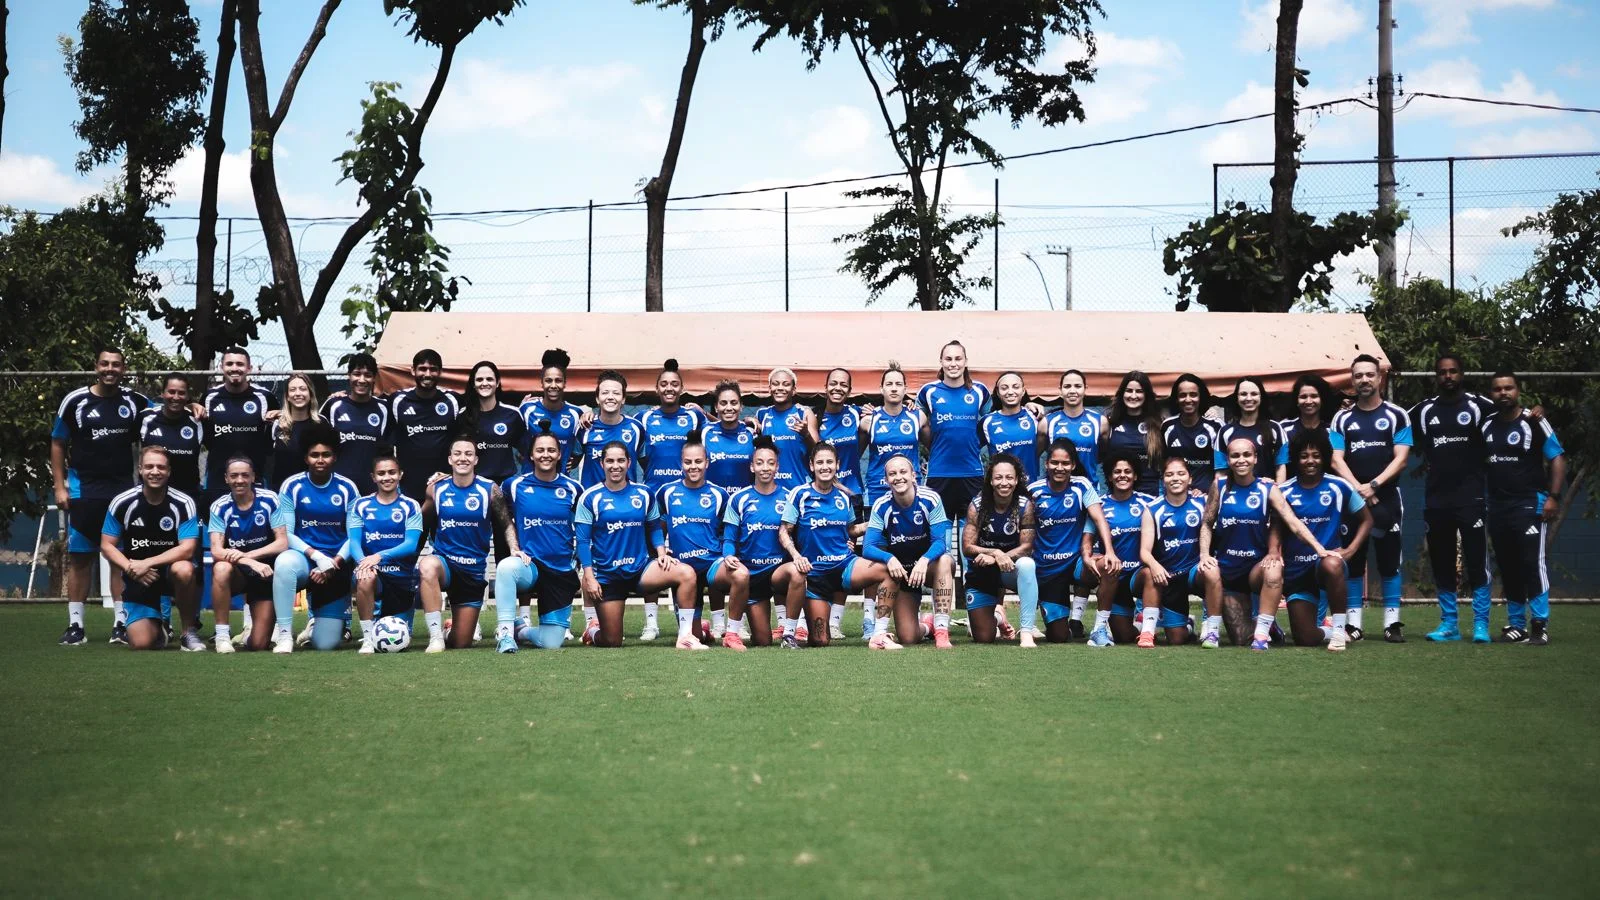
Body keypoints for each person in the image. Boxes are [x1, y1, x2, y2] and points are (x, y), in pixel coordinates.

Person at [52, 347, 149, 646]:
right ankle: (76, 626)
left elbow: (166, 410)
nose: (110, 369)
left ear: (124, 368)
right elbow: (57, 442)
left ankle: (120, 624)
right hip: (84, 490)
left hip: (122, 492)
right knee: (81, 557)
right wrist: (60, 486)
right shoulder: (75, 401)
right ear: (96, 366)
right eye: (105, 363)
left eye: (116, 364)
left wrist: (194, 408)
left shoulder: (134, 402)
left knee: (121, 558)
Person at [1201, 437, 1335, 651]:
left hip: (1255, 571)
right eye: (1235, 455)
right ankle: (1266, 628)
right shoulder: (1219, 486)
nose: (1241, 460)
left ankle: (1262, 636)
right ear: (1228, 460)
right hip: (1228, 573)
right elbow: (1207, 523)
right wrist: (1204, 555)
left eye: (1246, 455)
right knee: (1240, 637)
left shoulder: (1268, 488)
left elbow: (1292, 521)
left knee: (1274, 568)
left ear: (1255, 458)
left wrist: (1319, 549)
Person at [1407, 352, 1496, 643]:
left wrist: (1536, 412)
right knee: (1442, 561)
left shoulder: (1481, 406)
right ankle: (1449, 624)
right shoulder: (1423, 411)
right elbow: (1395, 428)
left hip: (1471, 498)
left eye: (1453, 371)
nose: (1448, 376)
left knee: (1476, 561)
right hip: (1437, 500)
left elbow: (1511, 417)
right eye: (1443, 372)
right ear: (1436, 376)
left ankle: (1481, 624)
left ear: (1462, 374)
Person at [575, 442, 699, 649]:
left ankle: (685, 636)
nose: (616, 466)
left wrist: (661, 552)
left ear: (629, 462)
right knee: (612, 641)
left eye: (621, 460)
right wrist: (588, 576)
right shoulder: (590, 497)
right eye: (610, 461)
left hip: (641, 570)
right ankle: (592, 631)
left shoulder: (643, 493)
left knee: (686, 574)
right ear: (602, 463)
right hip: (608, 575)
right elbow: (582, 541)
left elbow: (654, 527)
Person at [1329, 355, 1412, 642]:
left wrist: (1374, 486)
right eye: (1358, 376)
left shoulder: (1397, 415)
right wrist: (1359, 490)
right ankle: (1353, 625)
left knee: (1389, 561)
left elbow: (1401, 459)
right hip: (1352, 501)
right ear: (1352, 381)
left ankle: (1392, 623)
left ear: (1379, 378)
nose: (1363, 380)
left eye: (1369, 375)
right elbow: (1336, 460)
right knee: (1353, 559)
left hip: (1388, 497)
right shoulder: (1341, 418)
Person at [775, 442, 886, 649]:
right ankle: (795, 631)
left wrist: (872, 525)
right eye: (820, 462)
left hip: (844, 566)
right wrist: (796, 556)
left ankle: (878, 632)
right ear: (811, 466)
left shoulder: (844, 497)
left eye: (829, 462)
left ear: (837, 465)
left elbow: (850, 530)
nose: (824, 467)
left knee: (886, 570)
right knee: (820, 641)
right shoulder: (800, 494)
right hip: (814, 575)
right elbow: (784, 530)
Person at [1482, 371, 1565, 646]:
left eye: (1508, 388)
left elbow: (1557, 458)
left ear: (1517, 391)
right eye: (1497, 389)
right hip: (1497, 505)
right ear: (1491, 393)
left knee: (1532, 562)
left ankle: (1539, 625)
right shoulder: (1486, 424)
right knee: (1508, 565)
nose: (1503, 393)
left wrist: (1553, 497)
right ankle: (1516, 624)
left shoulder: (1534, 420)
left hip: (1529, 502)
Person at [99, 446, 202, 651]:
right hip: (138, 576)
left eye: (161, 467)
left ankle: (187, 633)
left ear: (169, 471)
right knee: (141, 643)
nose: (155, 471)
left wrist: (147, 563)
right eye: (149, 466)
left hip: (170, 573)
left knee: (184, 569)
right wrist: (131, 568)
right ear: (140, 469)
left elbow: (187, 549)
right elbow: (106, 545)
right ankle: (159, 626)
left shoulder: (183, 503)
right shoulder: (122, 502)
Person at [1278, 428, 1371, 651]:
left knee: (1332, 562)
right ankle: (1329, 631)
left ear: (1325, 458)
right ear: (1295, 458)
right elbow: (1275, 528)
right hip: (1297, 571)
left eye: (1316, 455)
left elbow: (1367, 520)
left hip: (1326, 564)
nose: (1310, 461)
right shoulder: (1283, 491)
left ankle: (1339, 630)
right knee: (1305, 638)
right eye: (1304, 456)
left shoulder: (1339, 486)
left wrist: (1350, 551)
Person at [419, 436, 514, 652]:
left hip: (472, 571)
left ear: (476, 459)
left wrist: (514, 548)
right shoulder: (436, 489)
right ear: (450, 459)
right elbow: (421, 524)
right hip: (445, 564)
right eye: (458, 454)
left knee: (461, 643)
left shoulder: (490, 489)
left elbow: (506, 523)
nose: (463, 458)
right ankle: (435, 638)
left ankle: (448, 630)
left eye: (468, 454)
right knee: (427, 566)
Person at [653, 434, 748, 648]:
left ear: (707, 462)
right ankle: (701, 628)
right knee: (695, 636)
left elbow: (728, 532)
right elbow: (656, 527)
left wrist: (728, 554)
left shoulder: (719, 495)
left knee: (741, 575)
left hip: (712, 564)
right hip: (684, 570)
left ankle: (732, 634)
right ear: (681, 463)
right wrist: (661, 551)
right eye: (688, 462)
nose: (693, 466)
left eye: (698, 461)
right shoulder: (666, 492)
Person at [498, 421, 585, 651]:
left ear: (559, 455)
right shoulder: (514, 485)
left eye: (551, 450)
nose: (545, 455)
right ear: (531, 455)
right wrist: (514, 545)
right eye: (540, 450)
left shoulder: (574, 488)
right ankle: (505, 635)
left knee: (551, 643)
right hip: (531, 565)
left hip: (560, 570)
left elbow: (586, 527)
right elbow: (497, 504)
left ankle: (521, 630)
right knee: (506, 568)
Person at [274, 426, 361, 652]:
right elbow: (287, 534)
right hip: (305, 558)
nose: (320, 460)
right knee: (284, 563)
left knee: (325, 644)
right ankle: (284, 635)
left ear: (334, 458)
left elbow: (354, 535)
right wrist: (316, 556)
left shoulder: (347, 488)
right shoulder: (292, 486)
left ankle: (320, 623)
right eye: (314, 455)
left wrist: (334, 562)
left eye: (326, 455)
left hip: (337, 563)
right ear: (306, 458)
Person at [917, 341, 991, 595]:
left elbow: (991, 423)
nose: (953, 364)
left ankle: (975, 607)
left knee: (971, 545)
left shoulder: (980, 391)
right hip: (939, 477)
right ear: (941, 362)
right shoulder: (928, 392)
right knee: (942, 546)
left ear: (966, 361)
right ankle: (942, 615)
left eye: (958, 358)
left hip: (972, 476)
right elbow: (918, 425)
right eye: (948, 359)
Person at [1028, 440, 1113, 645]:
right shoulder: (1033, 491)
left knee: (1109, 567)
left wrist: (1109, 551)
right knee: (1058, 637)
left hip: (1076, 564)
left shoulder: (1081, 485)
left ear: (1073, 465)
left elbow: (1099, 518)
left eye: (1065, 463)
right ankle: (1064, 622)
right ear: (1046, 464)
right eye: (1054, 463)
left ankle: (1100, 629)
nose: (1060, 468)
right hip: (1046, 569)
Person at [863, 454, 951, 650]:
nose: (898, 477)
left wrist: (924, 560)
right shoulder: (881, 505)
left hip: (929, 567)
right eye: (892, 474)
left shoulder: (930, 499)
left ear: (913, 475)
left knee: (945, 560)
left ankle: (942, 631)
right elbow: (868, 547)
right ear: (886, 480)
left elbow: (940, 542)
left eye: (903, 472)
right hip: (902, 573)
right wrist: (889, 558)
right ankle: (927, 626)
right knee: (909, 637)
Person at [721, 437, 798, 648]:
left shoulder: (790, 497)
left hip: (777, 573)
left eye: (771, 463)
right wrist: (728, 555)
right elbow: (729, 538)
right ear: (752, 466)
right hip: (752, 576)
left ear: (777, 467)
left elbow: (800, 536)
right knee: (763, 641)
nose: (766, 468)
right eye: (760, 462)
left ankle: (790, 632)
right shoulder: (739, 499)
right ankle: (738, 631)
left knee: (797, 572)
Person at [207, 456, 290, 653]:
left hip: (265, 574)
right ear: (226, 478)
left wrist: (251, 556)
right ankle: (222, 637)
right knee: (220, 568)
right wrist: (248, 562)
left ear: (253, 477)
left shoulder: (270, 499)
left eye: (245, 475)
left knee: (258, 645)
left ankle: (249, 634)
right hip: (238, 573)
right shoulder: (219, 506)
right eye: (234, 476)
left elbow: (282, 542)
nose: (239, 480)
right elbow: (217, 551)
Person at [1134, 457, 1219, 648]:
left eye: (1181, 474)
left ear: (1190, 479)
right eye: (1169, 474)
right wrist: (1155, 566)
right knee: (1177, 639)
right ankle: (1187, 625)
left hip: (1193, 573)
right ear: (1162, 479)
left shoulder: (1203, 503)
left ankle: (1212, 631)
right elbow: (1144, 552)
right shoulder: (1153, 509)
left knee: (1213, 570)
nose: (1175, 478)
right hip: (1168, 577)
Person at [347, 454, 425, 654]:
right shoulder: (360, 505)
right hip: (374, 573)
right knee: (365, 577)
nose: (386, 477)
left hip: (402, 577)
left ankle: (393, 616)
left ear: (400, 475)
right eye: (381, 473)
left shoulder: (411, 505)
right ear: (373, 477)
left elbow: (410, 545)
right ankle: (366, 638)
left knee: (401, 636)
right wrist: (364, 563)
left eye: (391, 472)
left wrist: (379, 556)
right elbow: (354, 542)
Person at [962, 453, 1037, 646]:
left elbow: (1027, 547)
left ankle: (1027, 632)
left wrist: (1000, 558)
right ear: (990, 481)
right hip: (982, 572)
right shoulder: (977, 506)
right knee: (984, 637)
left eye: (1009, 477)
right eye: (999, 477)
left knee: (1027, 565)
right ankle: (998, 618)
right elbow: (967, 547)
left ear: (1017, 479)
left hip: (1009, 570)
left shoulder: (1024, 505)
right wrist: (995, 553)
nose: (1004, 482)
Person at [1083, 453, 1147, 646]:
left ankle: (1163, 621)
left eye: (1128, 471)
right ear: (1109, 477)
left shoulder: (1148, 503)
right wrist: (1088, 556)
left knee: (1176, 634)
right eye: (1117, 472)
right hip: (1114, 577)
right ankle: (1106, 628)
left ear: (1135, 476)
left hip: (1139, 576)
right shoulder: (1100, 505)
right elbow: (1087, 538)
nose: (1122, 475)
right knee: (1124, 636)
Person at [200, 347, 275, 510]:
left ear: (249, 368)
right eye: (230, 364)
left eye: (240, 364)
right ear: (222, 367)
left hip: (255, 478)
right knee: (216, 527)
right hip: (217, 477)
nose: (235, 368)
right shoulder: (209, 398)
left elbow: (273, 434)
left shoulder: (265, 397)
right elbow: (205, 437)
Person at [389, 348, 462, 502]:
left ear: (440, 372)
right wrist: (340, 396)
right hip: (408, 483)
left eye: (433, 369)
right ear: (413, 371)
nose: (427, 374)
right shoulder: (397, 401)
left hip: (444, 481)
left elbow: (479, 407)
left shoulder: (453, 400)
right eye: (422, 369)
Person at [322, 353, 391, 494]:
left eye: (367, 375)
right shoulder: (334, 405)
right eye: (357, 374)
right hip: (339, 487)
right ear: (349, 375)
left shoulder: (384, 408)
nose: (362, 380)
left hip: (373, 488)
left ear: (374, 378)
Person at [641, 359, 710, 490]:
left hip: (685, 491)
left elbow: (719, 428)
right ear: (657, 389)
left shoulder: (694, 416)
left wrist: (705, 413)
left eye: (674, 384)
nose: (669, 388)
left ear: (682, 389)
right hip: (653, 489)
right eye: (663, 384)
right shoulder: (644, 417)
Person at [519, 348, 588, 473]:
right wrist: (524, 455)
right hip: (530, 482)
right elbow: (515, 440)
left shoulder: (575, 414)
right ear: (541, 383)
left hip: (561, 484)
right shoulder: (527, 409)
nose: (553, 385)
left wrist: (576, 459)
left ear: (565, 383)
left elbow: (581, 446)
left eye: (558, 380)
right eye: (548, 380)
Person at [136, 374, 204, 500]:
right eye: (171, 392)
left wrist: (194, 406)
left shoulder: (198, 421)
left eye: (181, 393)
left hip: (188, 496)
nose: (176, 397)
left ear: (188, 396)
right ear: (162, 393)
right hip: (150, 497)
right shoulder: (145, 419)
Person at [864, 363, 924, 504]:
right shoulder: (868, 419)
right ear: (881, 389)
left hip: (912, 488)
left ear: (905, 389)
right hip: (878, 489)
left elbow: (935, 447)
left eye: (898, 384)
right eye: (889, 384)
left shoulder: (918, 417)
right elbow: (855, 455)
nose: (894, 388)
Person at [460, 360, 526, 486]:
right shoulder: (462, 416)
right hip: (473, 485)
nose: (484, 383)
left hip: (505, 484)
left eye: (489, 379)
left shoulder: (513, 414)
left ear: (498, 382)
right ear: (473, 384)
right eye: (479, 380)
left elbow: (527, 451)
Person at [576, 370, 645, 489]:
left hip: (626, 502)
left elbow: (647, 464)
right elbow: (571, 463)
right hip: (592, 502)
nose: (610, 397)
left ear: (623, 399)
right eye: (605, 393)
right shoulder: (586, 426)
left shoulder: (636, 428)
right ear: (597, 398)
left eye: (616, 393)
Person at [755, 366, 817, 493]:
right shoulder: (762, 414)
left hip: (798, 488)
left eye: (786, 384)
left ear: (793, 390)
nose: (780, 388)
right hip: (770, 490)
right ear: (769, 389)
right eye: (775, 384)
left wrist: (806, 434)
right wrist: (749, 421)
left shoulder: (803, 413)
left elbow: (818, 451)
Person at [1102, 371, 1163, 496]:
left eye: (1139, 391)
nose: (1133, 395)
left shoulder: (1158, 423)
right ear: (1122, 393)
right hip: (1118, 496)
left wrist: (1213, 410)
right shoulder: (1110, 422)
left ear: (1146, 395)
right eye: (1129, 390)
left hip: (1149, 495)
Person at [1042, 369, 1106, 490]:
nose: (1072, 391)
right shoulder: (1047, 422)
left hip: (1089, 490)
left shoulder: (1100, 422)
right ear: (1060, 390)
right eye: (1067, 386)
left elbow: (1101, 455)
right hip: (1057, 492)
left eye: (1077, 386)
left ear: (1085, 389)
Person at [1214, 376, 1284, 483]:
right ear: (1236, 399)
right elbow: (1221, 472)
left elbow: (1280, 467)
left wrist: (1278, 491)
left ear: (1261, 397)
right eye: (1243, 394)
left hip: (1267, 494)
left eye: (1254, 394)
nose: (1249, 398)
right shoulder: (1225, 432)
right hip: (1236, 496)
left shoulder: (1275, 428)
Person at [1161, 374, 1220, 492]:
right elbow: (1164, 465)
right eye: (1182, 395)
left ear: (1201, 397)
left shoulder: (1215, 426)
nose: (1188, 400)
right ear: (1176, 399)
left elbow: (1222, 469)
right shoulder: (1168, 426)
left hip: (1207, 496)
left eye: (1193, 395)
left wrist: (1211, 493)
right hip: (1177, 495)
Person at [981, 372, 1041, 484]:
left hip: (1029, 486)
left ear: (1023, 391)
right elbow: (971, 449)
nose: (1010, 392)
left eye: (1015, 387)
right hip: (1000, 488)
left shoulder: (1034, 416)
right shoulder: (987, 422)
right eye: (1004, 388)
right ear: (998, 393)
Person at [1276, 374, 1337, 482]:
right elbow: (1279, 465)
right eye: (1303, 397)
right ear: (1296, 400)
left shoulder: (1332, 429)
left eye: (1314, 396)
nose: (1308, 401)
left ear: (1322, 399)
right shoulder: (1283, 428)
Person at [702, 380, 756, 492]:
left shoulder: (752, 433)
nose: (729, 407)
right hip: (712, 503)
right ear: (716, 407)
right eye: (723, 403)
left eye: (734, 402)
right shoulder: (705, 432)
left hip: (742, 504)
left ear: (741, 406)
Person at [271, 372, 323, 485]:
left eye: (303, 389)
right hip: (283, 492)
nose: (298, 393)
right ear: (287, 397)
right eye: (293, 389)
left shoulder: (321, 423)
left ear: (310, 393)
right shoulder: (276, 424)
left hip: (313, 490)